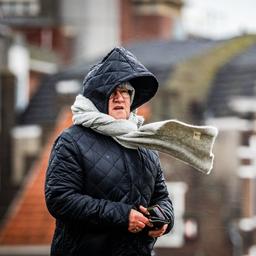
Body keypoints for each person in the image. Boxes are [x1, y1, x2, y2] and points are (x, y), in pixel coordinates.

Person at [45, 47, 174, 256]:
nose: (119, 98)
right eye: (111, 92)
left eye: (124, 91)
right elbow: (60, 199)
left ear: (132, 98)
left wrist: (164, 219)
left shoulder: (145, 143)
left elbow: (162, 197)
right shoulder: (71, 141)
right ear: (97, 99)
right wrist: (122, 216)